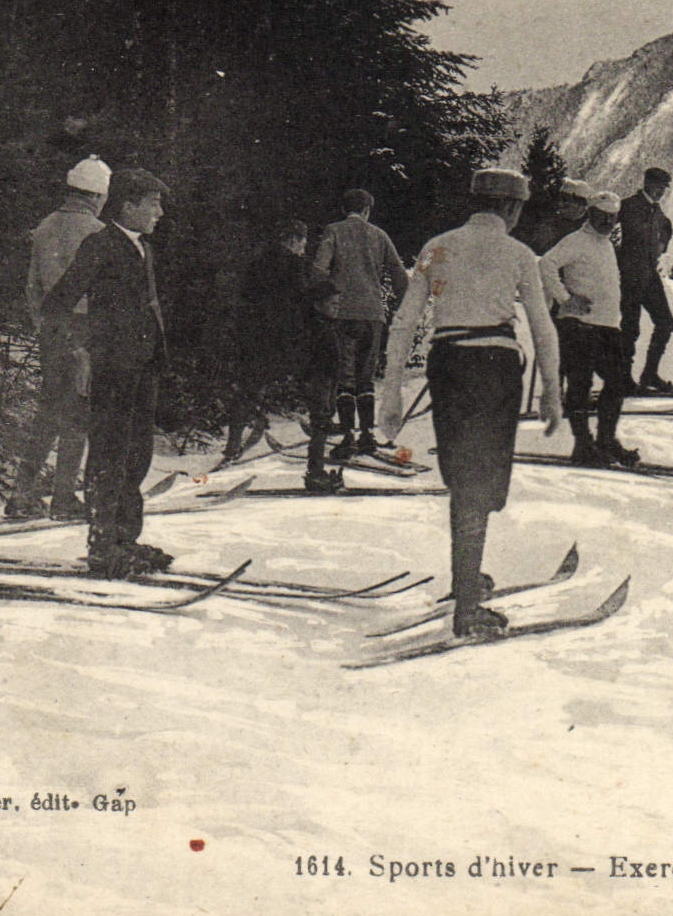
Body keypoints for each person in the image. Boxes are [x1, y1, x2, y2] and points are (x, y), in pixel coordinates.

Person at [378, 168, 562, 638]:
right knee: (482, 481)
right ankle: (466, 607)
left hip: (448, 364)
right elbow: (542, 327)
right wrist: (550, 392)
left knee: (463, 474)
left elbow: (404, 322)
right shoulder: (520, 254)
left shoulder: (437, 246)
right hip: (496, 368)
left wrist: (392, 394)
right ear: (513, 209)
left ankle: (467, 577)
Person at [40, 168, 171, 579]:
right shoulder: (100, 244)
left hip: (142, 370)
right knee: (110, 456)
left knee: (136, 457)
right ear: (128, 205)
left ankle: (124, 540)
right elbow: (58, 303)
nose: (160, 212)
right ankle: (103, 547)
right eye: (153, 203)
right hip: (113, 371)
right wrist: (79, 349)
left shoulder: (142, 249)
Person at [4, 155, 111, 520]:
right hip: (84, 330)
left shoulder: (45, 226)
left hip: (51, 329)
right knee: (78, 415)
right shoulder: (97, 232)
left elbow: (32, 286)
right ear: (97, 195)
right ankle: (64, 497)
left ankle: (22, 493)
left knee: (48, 412)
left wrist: (44, 325)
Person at [540, 189, 638, 467]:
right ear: (591, 214)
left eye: (612, 217)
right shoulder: (576, 241)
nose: (607, 222)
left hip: (607, 325)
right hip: (580, 327)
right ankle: (583, 445)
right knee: (580, 386)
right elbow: (546, 264)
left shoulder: (606, 244)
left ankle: (606, 441)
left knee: (617, 383)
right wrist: (565, 300)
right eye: (602, 216)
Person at [314, 188, 406, 460]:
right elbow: (399, 274)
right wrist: (402, 308)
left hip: (342, 314)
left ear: (344, 209)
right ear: (367, 210)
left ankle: (347, 437)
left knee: (345, 376)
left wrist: (322, 302)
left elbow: (319, 269)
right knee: (366, 377)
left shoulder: (333, 231)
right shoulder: (379, 235)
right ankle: (367, 436)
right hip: (372, 315)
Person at [221, 219, 311, 461]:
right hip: (280, 337)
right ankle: (320, 433)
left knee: (248, 387)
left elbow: (244, 299)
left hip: (252, 335)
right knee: (313, 378)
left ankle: (233, 444)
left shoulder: (257, 262)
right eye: (303, 241)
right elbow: (300, 300)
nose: (304, 247)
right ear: (293, 240)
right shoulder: (294, 264)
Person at [616, 167, 673, 392]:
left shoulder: (656, 210)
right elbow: (605, 230)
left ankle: (649, 374)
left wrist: (663, 244)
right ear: (647, 183)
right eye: (658, 186)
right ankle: (623, 378)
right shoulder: (628, 205)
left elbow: (667, 227)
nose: (661, 191)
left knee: (666, 323)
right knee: (630, 328)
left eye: (664, 188)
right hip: (630, 276)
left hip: (649, 276)